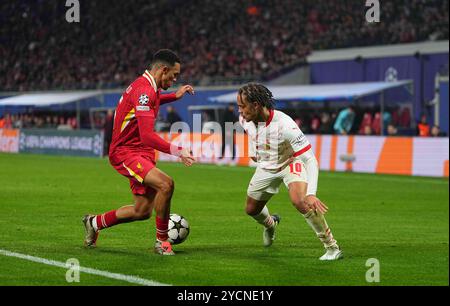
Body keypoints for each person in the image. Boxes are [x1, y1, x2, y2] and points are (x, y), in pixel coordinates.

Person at [83, 49, 196, 256]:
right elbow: (147, 136)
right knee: (166, 184)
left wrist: (174, 96)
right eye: (174, 75)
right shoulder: (145, 90)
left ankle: (94, 222)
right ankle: (162, 242)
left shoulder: (147, 88)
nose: (175, 79)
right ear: (163, 70)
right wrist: (178, 151)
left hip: (140, 152)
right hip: (126, 152)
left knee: (142, 211)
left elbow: (151, 100)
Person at [237, 83, 343, 261]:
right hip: (266, 167)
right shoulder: (245, 119)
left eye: (242, 106)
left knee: (301, 201)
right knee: (251, 209)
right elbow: (251, 131)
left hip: (289, 163)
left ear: (256, 105)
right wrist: (253, 151)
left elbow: (310, 159)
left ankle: (332, 247)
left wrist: (311, 193)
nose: (240, 111)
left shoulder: (286, 126)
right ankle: (271, 224)